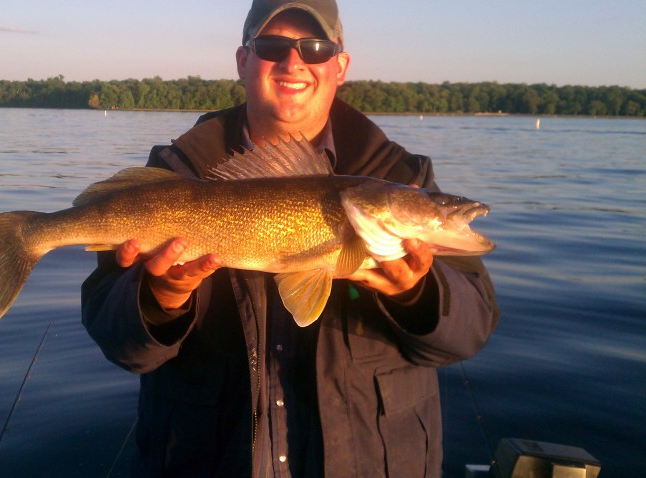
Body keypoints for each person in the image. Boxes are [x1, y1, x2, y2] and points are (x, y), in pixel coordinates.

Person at [82, 0, 500, 476]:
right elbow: (120, 344)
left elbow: (470, 333)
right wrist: (158, 299)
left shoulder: (401, 174)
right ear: (243, 61)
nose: (293, 62)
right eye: (271, 46)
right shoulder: (178, 175)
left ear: (340, 66)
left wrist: (419, 296)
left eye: (316, 47)